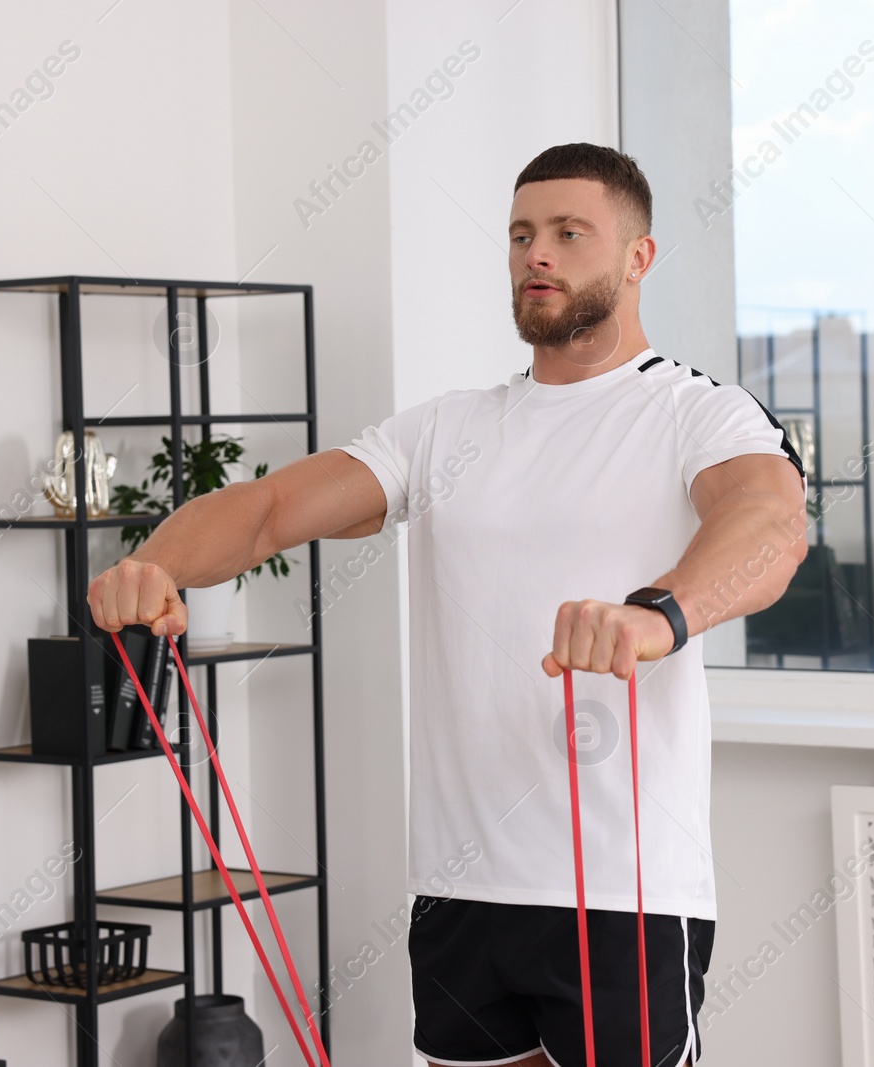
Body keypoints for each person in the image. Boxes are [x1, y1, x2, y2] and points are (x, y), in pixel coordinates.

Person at [88, 142, 808, 1067]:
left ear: (639, 257)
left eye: (567, 233)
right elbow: (269, 509)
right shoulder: (447, 429)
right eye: (519, 235)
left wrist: (655, 614)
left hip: (622, 890)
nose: (535, 254)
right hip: (459, 884)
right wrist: (154, 564)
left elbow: (769, 524)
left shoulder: (693, 411)